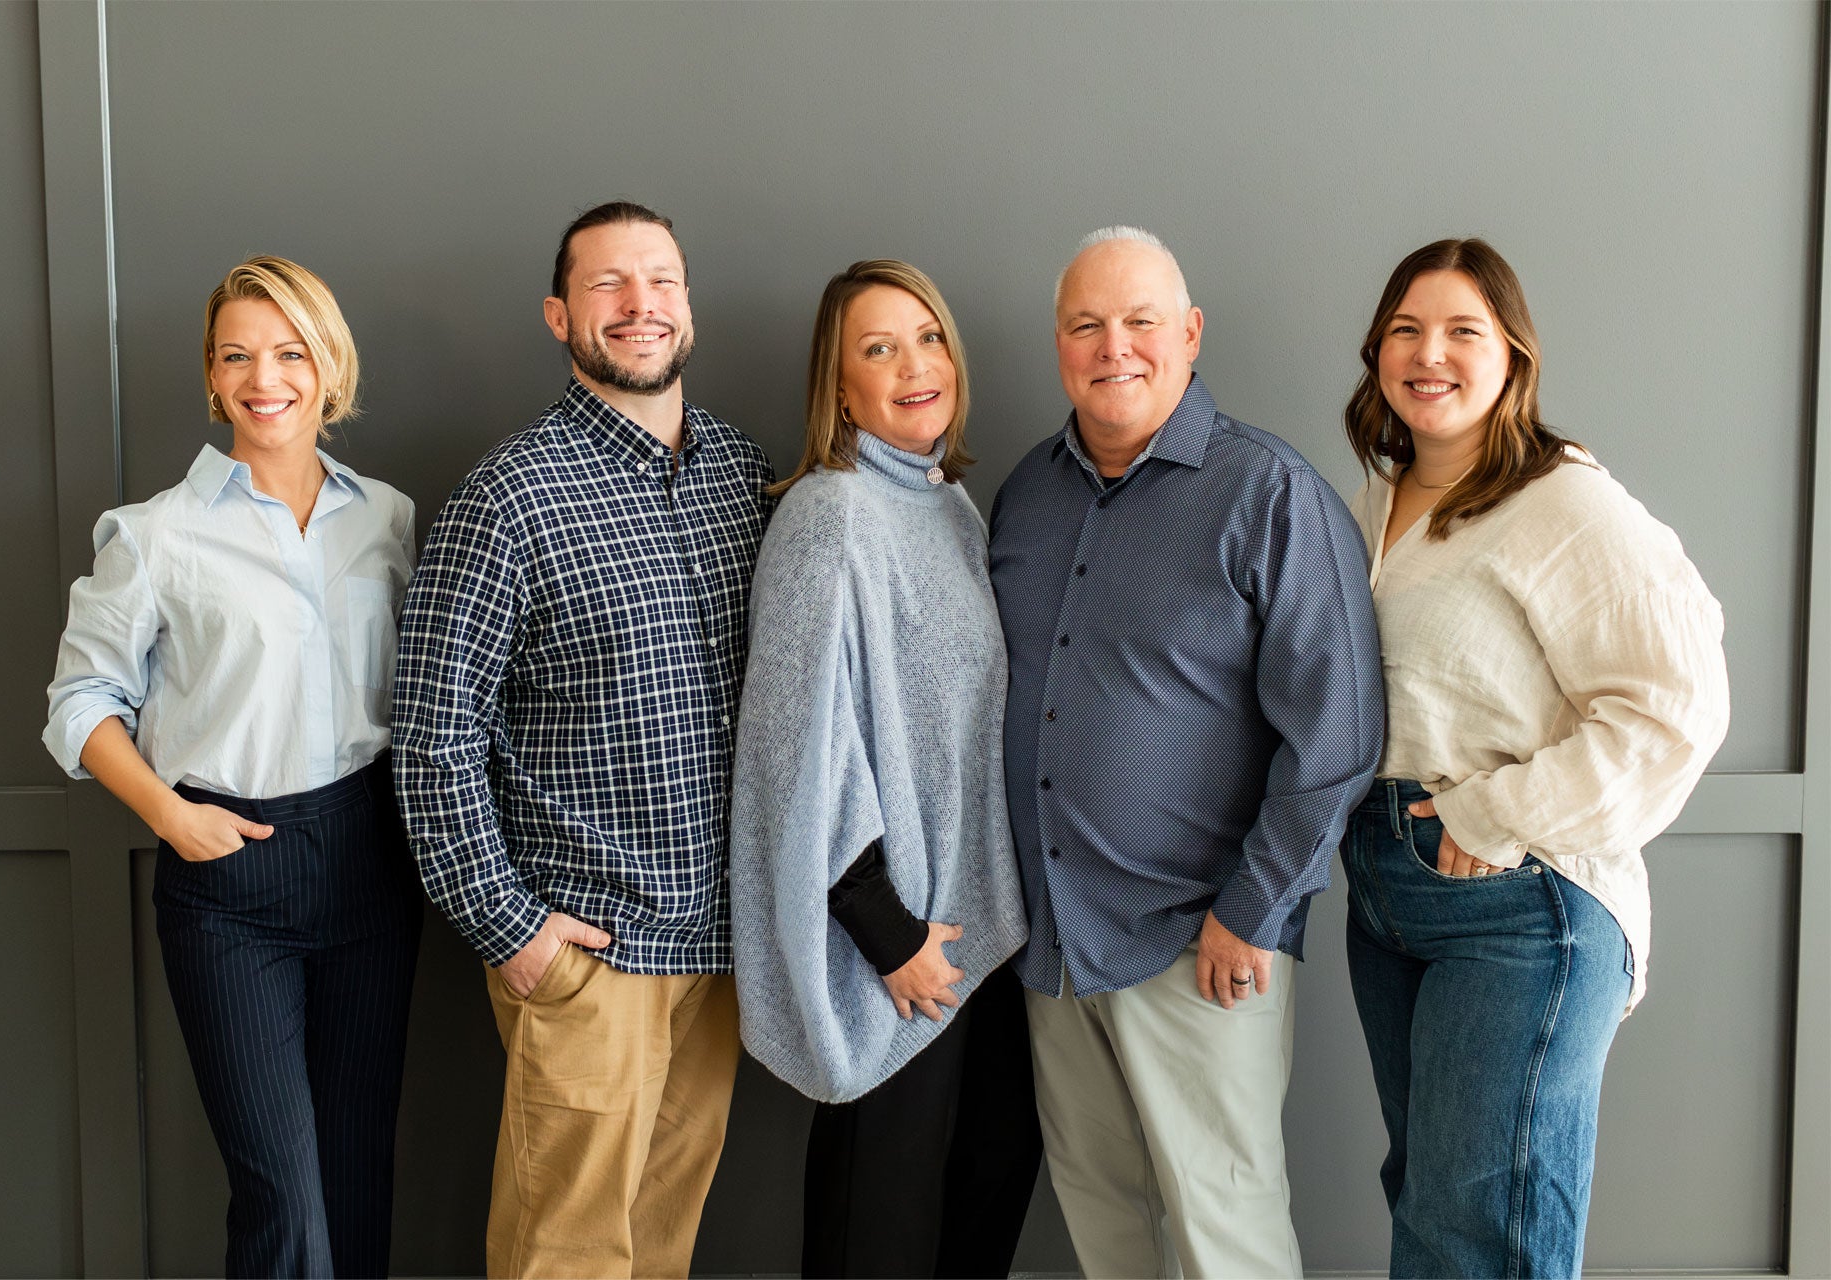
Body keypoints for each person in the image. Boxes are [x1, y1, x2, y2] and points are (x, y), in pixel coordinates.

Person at [987, 226, 1383, 1279]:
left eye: (1140, 321)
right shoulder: (1027, 492)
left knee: (1225, 1233)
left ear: (1190, 333)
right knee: (1101, 1219)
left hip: (1200, 944)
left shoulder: (1271, 494)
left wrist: (1253, 909)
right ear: (1060, 342)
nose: (1113, 345)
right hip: (1055, 945)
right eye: (1086, 324)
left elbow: (1338, 733)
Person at [391, 201, 774, 1280]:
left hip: (719, 951)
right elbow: (432, 733)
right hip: (587, 953)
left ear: (688, 306)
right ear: (561, 314)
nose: (641, 304)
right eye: (610, 284)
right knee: (562, 1255)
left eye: (662, 279)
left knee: (661, 1247)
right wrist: (512, 927)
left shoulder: (744, 474)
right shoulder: (509, 493)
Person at [1338, 238, 1729, 1278]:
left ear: (1514, 354)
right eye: (1407, 329)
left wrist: (1492, 815)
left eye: (1465, 329)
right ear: (1377, 350)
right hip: (1387, 897)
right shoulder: (1376, 502)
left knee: (1479, 1235)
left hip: (1520, 903)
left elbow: (1675, 704)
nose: (1432, 352)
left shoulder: (1563, 499)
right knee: (1432, 1207)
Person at [43, 256, 423, 1279]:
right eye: (238, 355)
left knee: (354, 1177)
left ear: (328, 365)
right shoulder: (158, 535)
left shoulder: (387, 517)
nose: (267, 377)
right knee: (283, 1198)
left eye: (291, 350)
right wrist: (173, 814)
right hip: (228, 883)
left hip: (370, 865)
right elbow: (77, 707)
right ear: (212, 378)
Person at [729, 260, 1042, 1278]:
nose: (915, 365)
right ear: (841, 384)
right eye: (879, 347)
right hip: (899, 947)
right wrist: (887, 930)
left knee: (979, 1204)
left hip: (980, 941)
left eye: (929, 337)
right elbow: (794, 749)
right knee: (883, 1235)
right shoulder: (831, 513)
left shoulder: (950, 506)